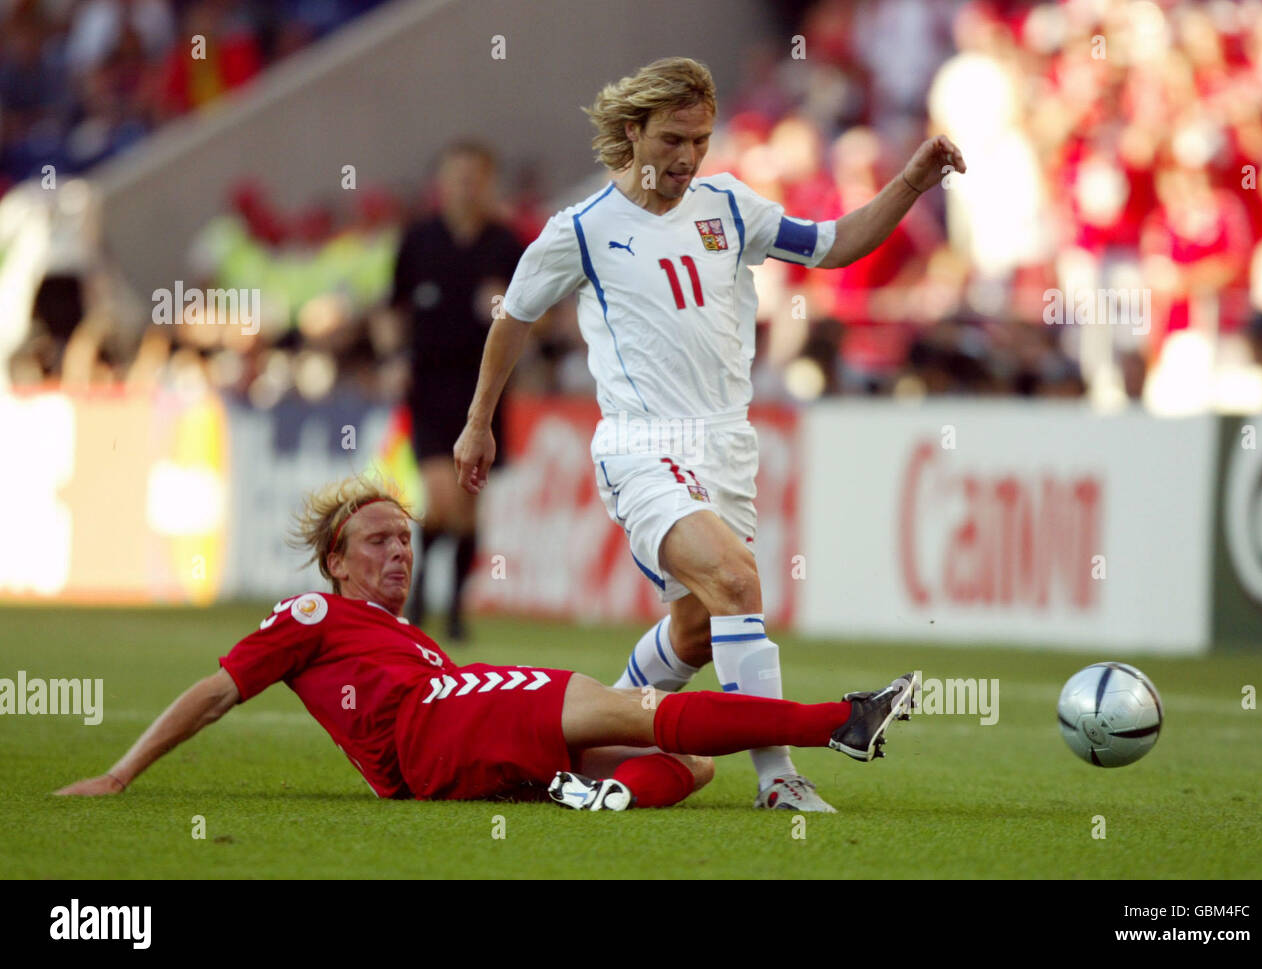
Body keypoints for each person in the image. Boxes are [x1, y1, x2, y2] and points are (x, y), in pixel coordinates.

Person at [453, 56, 963, 811]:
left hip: (726, 447)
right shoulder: (583, 229)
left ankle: (590, 733)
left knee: (696, 629)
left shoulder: (727, 206)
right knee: (734, 581)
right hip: (640, 446)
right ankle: (778, 777)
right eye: (672, 139)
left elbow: (837, 243)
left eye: (700, 139)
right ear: (634, 133)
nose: (688, 156)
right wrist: (478, 421)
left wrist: (913, 182)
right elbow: (513, 318)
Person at [53, 476, 916, 810]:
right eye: (377, 540)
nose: (398, 551)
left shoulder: (399, 635)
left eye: (404, 538)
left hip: (446, 741)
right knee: (639, 709)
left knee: (688, 765)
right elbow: (216, 691)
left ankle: (591, 797)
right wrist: (122, 772)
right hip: (428, 724)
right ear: (335, 564)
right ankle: (840, 719)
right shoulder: (311, 616)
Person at [391, 141, 524, 639]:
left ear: (488, 184)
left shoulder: (506, 245)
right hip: (427, 387)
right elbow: (393, 308)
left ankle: (454, 609)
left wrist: (504, 307)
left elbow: (539, 313)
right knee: (440, 497)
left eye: (475, 177)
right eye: (456, 176)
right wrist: (391, 358)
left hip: (483, 392)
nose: (465, 186)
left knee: (468, 510)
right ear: (441, 183)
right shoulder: (418, 239)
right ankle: (424, 590)